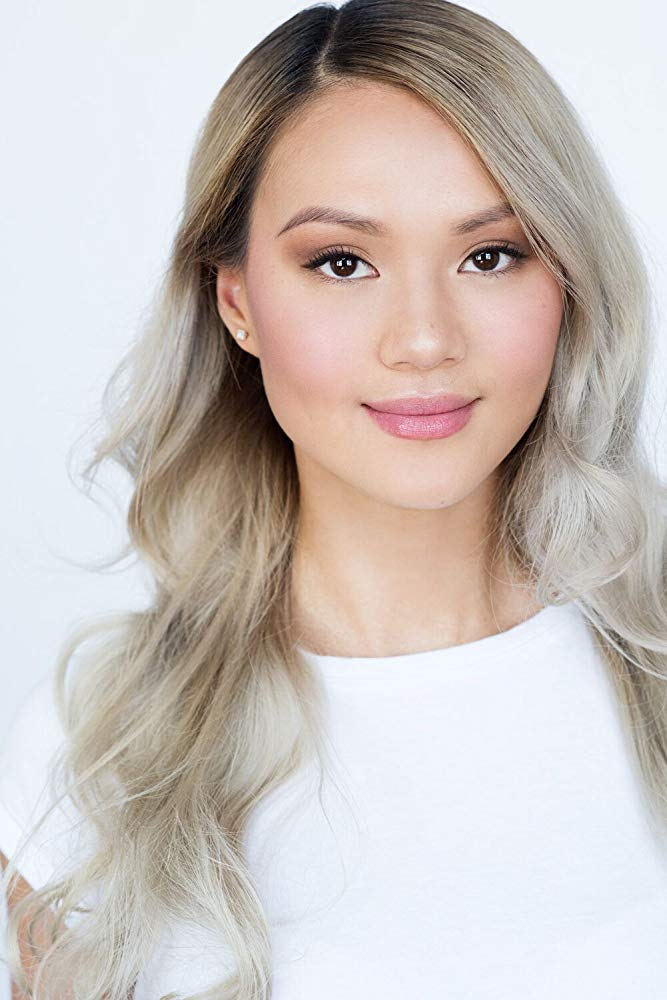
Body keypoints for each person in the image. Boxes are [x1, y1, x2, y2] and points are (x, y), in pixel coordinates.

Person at [2, 0, 667, 997]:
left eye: (490, 255)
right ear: (237, 303)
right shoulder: (91, 749)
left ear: (568, 281)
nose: (424, 339)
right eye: (341, 263)